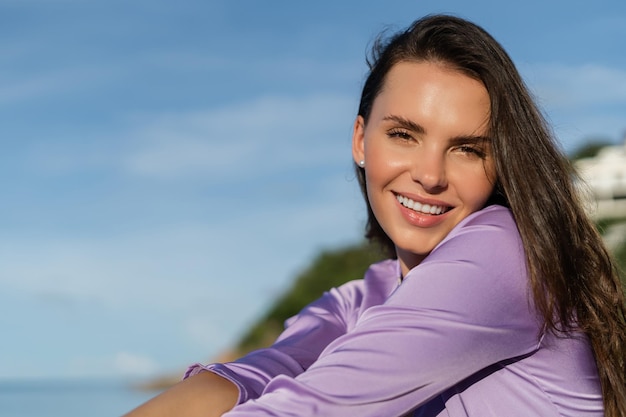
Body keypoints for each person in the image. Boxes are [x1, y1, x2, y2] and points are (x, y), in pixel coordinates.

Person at [123, 14, 626, 417]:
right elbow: (253, 377)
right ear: (361, 140)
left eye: (468, 149)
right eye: (404, 134)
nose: (430, 174)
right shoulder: (371, 295)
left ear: (502, 165)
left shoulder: (503, 255)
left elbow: (310, 409)